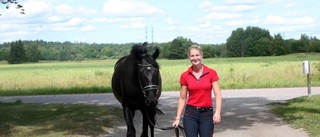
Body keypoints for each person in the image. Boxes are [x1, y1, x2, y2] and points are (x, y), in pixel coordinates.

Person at [172, 44, 222, 137]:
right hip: (190, 114)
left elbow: (218, 94)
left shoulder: (211, 73)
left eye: (197, 55)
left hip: (207, 114)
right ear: (189, 57)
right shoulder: (185, 75)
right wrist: (178, 118)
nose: (195, 58)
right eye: (192, 56)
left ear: (201, 56)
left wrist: (217, 112)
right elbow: (182, 98)